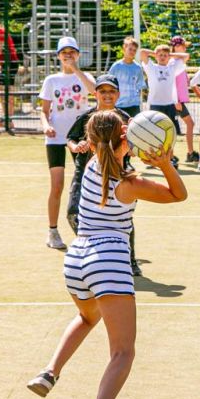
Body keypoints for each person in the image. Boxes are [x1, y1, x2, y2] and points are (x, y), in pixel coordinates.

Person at [26, 109, 187, 399]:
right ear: (123, 135)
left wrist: (129, 143)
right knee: (123, 351)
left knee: (87, 318)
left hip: (76, 260)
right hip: (108, 259)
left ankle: (49, 372)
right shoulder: (129, 183)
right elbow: (178, 194)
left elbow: (115, 150)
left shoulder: (91, 167)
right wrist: (164, 163)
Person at [65, 74, 141, 276]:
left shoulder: (125, 119)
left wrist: (135, 149)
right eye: (102, 91)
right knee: (73, 213)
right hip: (86, 175)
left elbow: (133, 147)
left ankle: (129, 259)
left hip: (117, 174)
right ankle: (92, 248)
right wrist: (76, 146)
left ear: (118, 94)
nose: (107, 95)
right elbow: (70, 139)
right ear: (95, 93)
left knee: (122, 218)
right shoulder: (87, 117)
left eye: (111, 91)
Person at [40, 36, 96, 250]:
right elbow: (44, 111)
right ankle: (52, 231)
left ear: (78, 55)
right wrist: (46, 125)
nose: (68, 55)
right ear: (58, 56)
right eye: (64, 52)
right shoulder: (51, 80)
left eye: (72, 52)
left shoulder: (85, 76)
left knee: (86, 183)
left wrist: (76, 70)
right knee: (57, 185)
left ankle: (87, 230)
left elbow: (94, 91)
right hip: (55, 138)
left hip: (79, 136)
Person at [139, 42, 184, 169]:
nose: (163, 57)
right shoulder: (151, 67)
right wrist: (156, 53)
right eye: (160, 55)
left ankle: (170, 159)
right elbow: (142, 52)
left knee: (169, 134)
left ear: (169, 56)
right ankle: (153, 159)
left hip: (169, 105)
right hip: (155, 106)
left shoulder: (172, 67)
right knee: (154, 134)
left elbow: (186, 56)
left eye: (165, 55)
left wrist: (170, 54)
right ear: (156, 56)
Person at [168, 36, 199, 164]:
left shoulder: (177, 62)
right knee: (172, 129)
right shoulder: (173, 63)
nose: (185, 47)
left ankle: (188, 153)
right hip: (175, 101)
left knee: (183, 126)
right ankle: (173, 155)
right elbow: (171, 84)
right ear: (175, 46)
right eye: (182, 45)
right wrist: (176, 101)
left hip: (178, 100)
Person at [108, 36, 146, 119]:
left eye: (134, 50)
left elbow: (139, 87)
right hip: (119, 105)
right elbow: (109, 84)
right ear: (124, 48)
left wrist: (138, 102)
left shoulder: (138, 67)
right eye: (130, 49)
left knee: (134, 129)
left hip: (134, 105)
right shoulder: (116, 66)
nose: (132, 52)